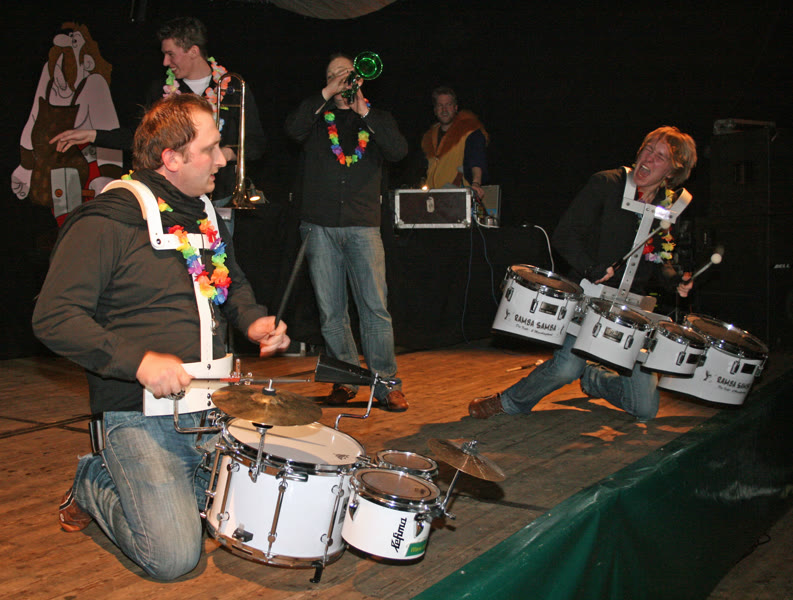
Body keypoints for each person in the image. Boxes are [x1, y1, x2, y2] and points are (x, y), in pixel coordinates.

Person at [32, 93, 289, 581]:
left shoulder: (204, 212)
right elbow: (54, 317)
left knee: (253, 521)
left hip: (214, 406)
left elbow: (230, 281)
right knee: (174, 557)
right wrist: (138, 361)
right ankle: (93, 478)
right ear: (172, 158)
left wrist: (253, 320)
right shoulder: (107, 219)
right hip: (138, 415)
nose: (223, 159)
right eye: (210, 149)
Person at [469, 126, 697, 422]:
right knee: (567, 368)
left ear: (672, 171)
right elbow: (565, 236)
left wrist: (674, 279)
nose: (648, 158)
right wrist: (592, 267)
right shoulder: (607, 183)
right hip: (590, 295)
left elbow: (658, 259)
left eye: (660, 156)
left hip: (632, 311)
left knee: (644, 408)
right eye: (648, 149)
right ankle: (509, 401)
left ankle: (594, 379)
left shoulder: (667, 206)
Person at [50, 16, 266, 233]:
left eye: (170, 54)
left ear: (193, 51)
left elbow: (256, 145)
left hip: (219, 197)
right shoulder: (160, 90)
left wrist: (222, 153)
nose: (165, 62)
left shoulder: (233, 88)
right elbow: (140, 139)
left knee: (216, 253)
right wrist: (92, 135)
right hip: (170, 197)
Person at [284, 52, 409, 412]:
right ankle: (345, 380)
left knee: (374, 310)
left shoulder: (377, 118)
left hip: (363, 226)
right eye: (332, 75)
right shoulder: (316, 118)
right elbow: (292, 129)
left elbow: (398, 151)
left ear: (359, 79)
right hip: (319, 227)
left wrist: (363, 110)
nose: (340, 78)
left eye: (346, 73)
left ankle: (386, 385)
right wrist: (326, 93)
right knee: (331, 314)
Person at [11, 22, 123, 223]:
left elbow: (111, 136)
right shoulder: (49, 75)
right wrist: (26, 166)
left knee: (73, 224)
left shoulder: (93, 84)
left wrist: (107, 177)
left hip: (79, 172)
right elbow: (34, 118)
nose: (60, 85)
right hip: (50, 169)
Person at [421, 86, 489, 201]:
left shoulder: (469, 131)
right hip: (431, 199)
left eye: (448, 105)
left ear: (455, 108)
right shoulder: (429, 137)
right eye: (440, 105)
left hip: (457, 198)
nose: (444, 110)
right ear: (435, 110)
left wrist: (476, 183)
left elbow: (477, 159)